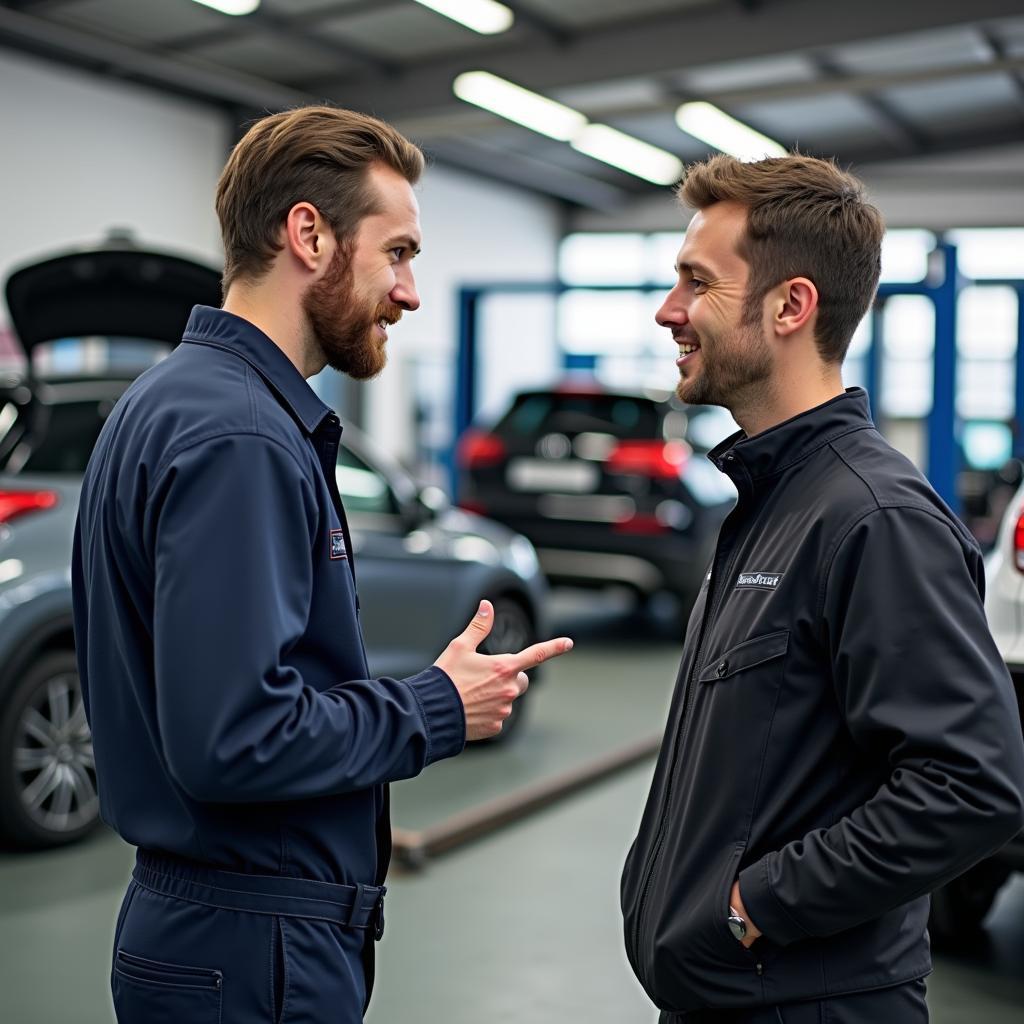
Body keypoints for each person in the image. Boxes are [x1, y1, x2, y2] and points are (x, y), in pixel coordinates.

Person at [71, 105, 573, 1024]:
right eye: (398, 253)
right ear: (309, 234)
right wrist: (437, 706)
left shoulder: (172, 399)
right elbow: (233, 739)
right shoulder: (239, 435)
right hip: (252, 945)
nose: (410, 291)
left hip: (220, 929)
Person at [619, 154, 1024, 1024]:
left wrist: (754, 908)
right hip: (731, 996)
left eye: (697, 281)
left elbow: (971, 783)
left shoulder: (874, 518)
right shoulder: (774, 502)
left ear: (791, 306)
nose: (669, 310)